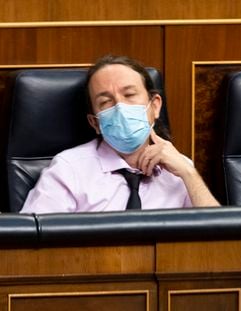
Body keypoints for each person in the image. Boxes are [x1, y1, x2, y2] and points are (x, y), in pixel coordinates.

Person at [20, 55, 219, 213]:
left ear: (155, 106)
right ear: (95, 122)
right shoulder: (68, 170)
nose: (120, 107)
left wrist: (189, 174)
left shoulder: (179, 169)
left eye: (130, 95)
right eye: (105, 102)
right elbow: (31, 247)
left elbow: (218, 242)